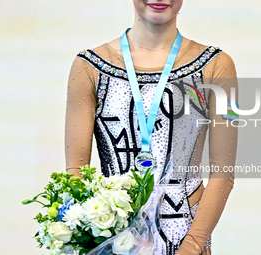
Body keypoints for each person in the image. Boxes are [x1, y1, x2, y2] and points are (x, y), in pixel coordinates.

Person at [65, 1, 238, 254]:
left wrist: (191, 246)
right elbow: (75, 171)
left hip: (185, 237)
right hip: (113, 242)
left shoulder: (217, 65)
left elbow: (224, 172)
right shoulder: (89, 66)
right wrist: (94, 239)